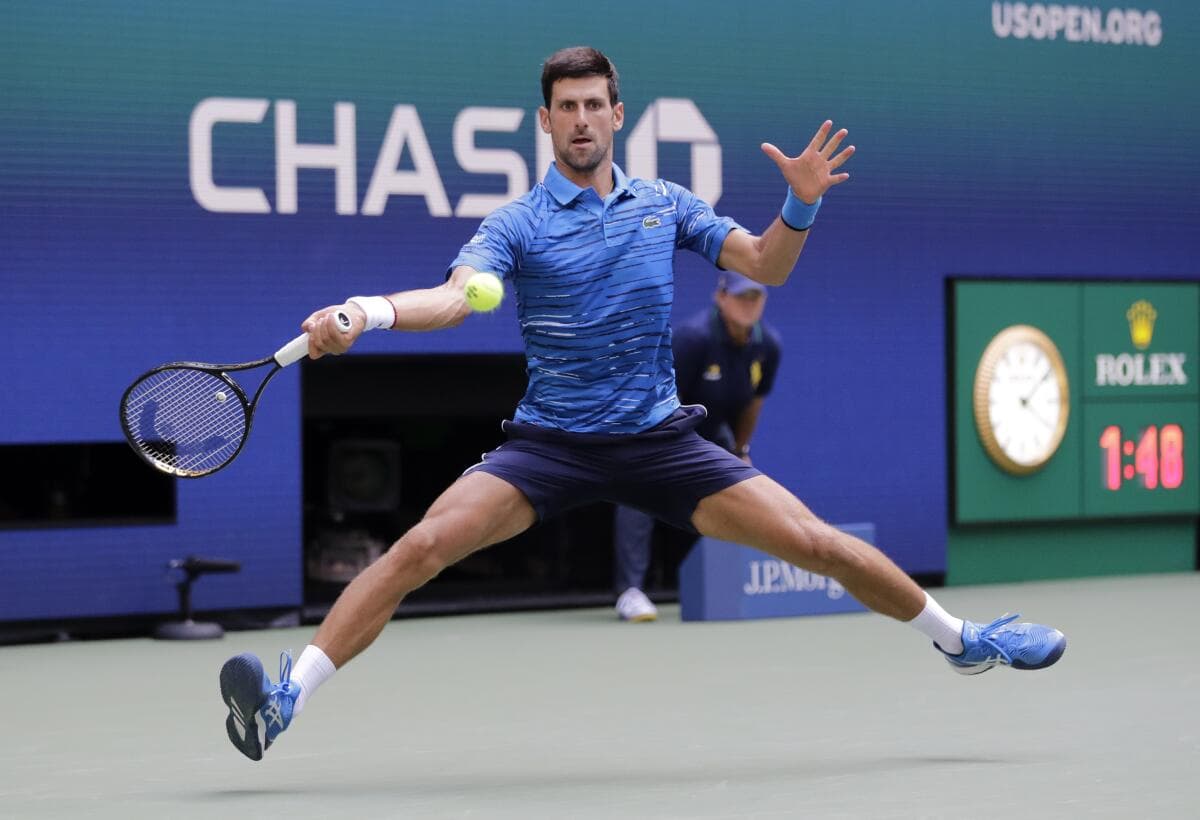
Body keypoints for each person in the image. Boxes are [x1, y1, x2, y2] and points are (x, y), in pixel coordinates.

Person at [219, 46, 1067, 762]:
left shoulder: (665, 206)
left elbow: (766, 266)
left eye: (595, 104)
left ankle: (965, 642)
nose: (581, 118)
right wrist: (364, 312)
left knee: (816, 541)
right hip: (550, 444)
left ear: (618, 115)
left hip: (662, 440)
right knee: (422, 545)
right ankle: (286, 699)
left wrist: (800, 200)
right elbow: (454, 295)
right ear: (544, 123)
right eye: (565, 107)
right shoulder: (515, 225)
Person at [613, 270, 781, 622]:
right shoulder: (692, 338)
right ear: (721, 298)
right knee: (638, 491)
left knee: (744, 488)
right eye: (740, 297)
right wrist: (669, 449)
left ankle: (727, 582)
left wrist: (740, 449)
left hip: (710, 425)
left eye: (755, 297)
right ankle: (631, 591)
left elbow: (753, 403)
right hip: (655, 422)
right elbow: (661, 395)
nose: (748, 305)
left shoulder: (768, 346)